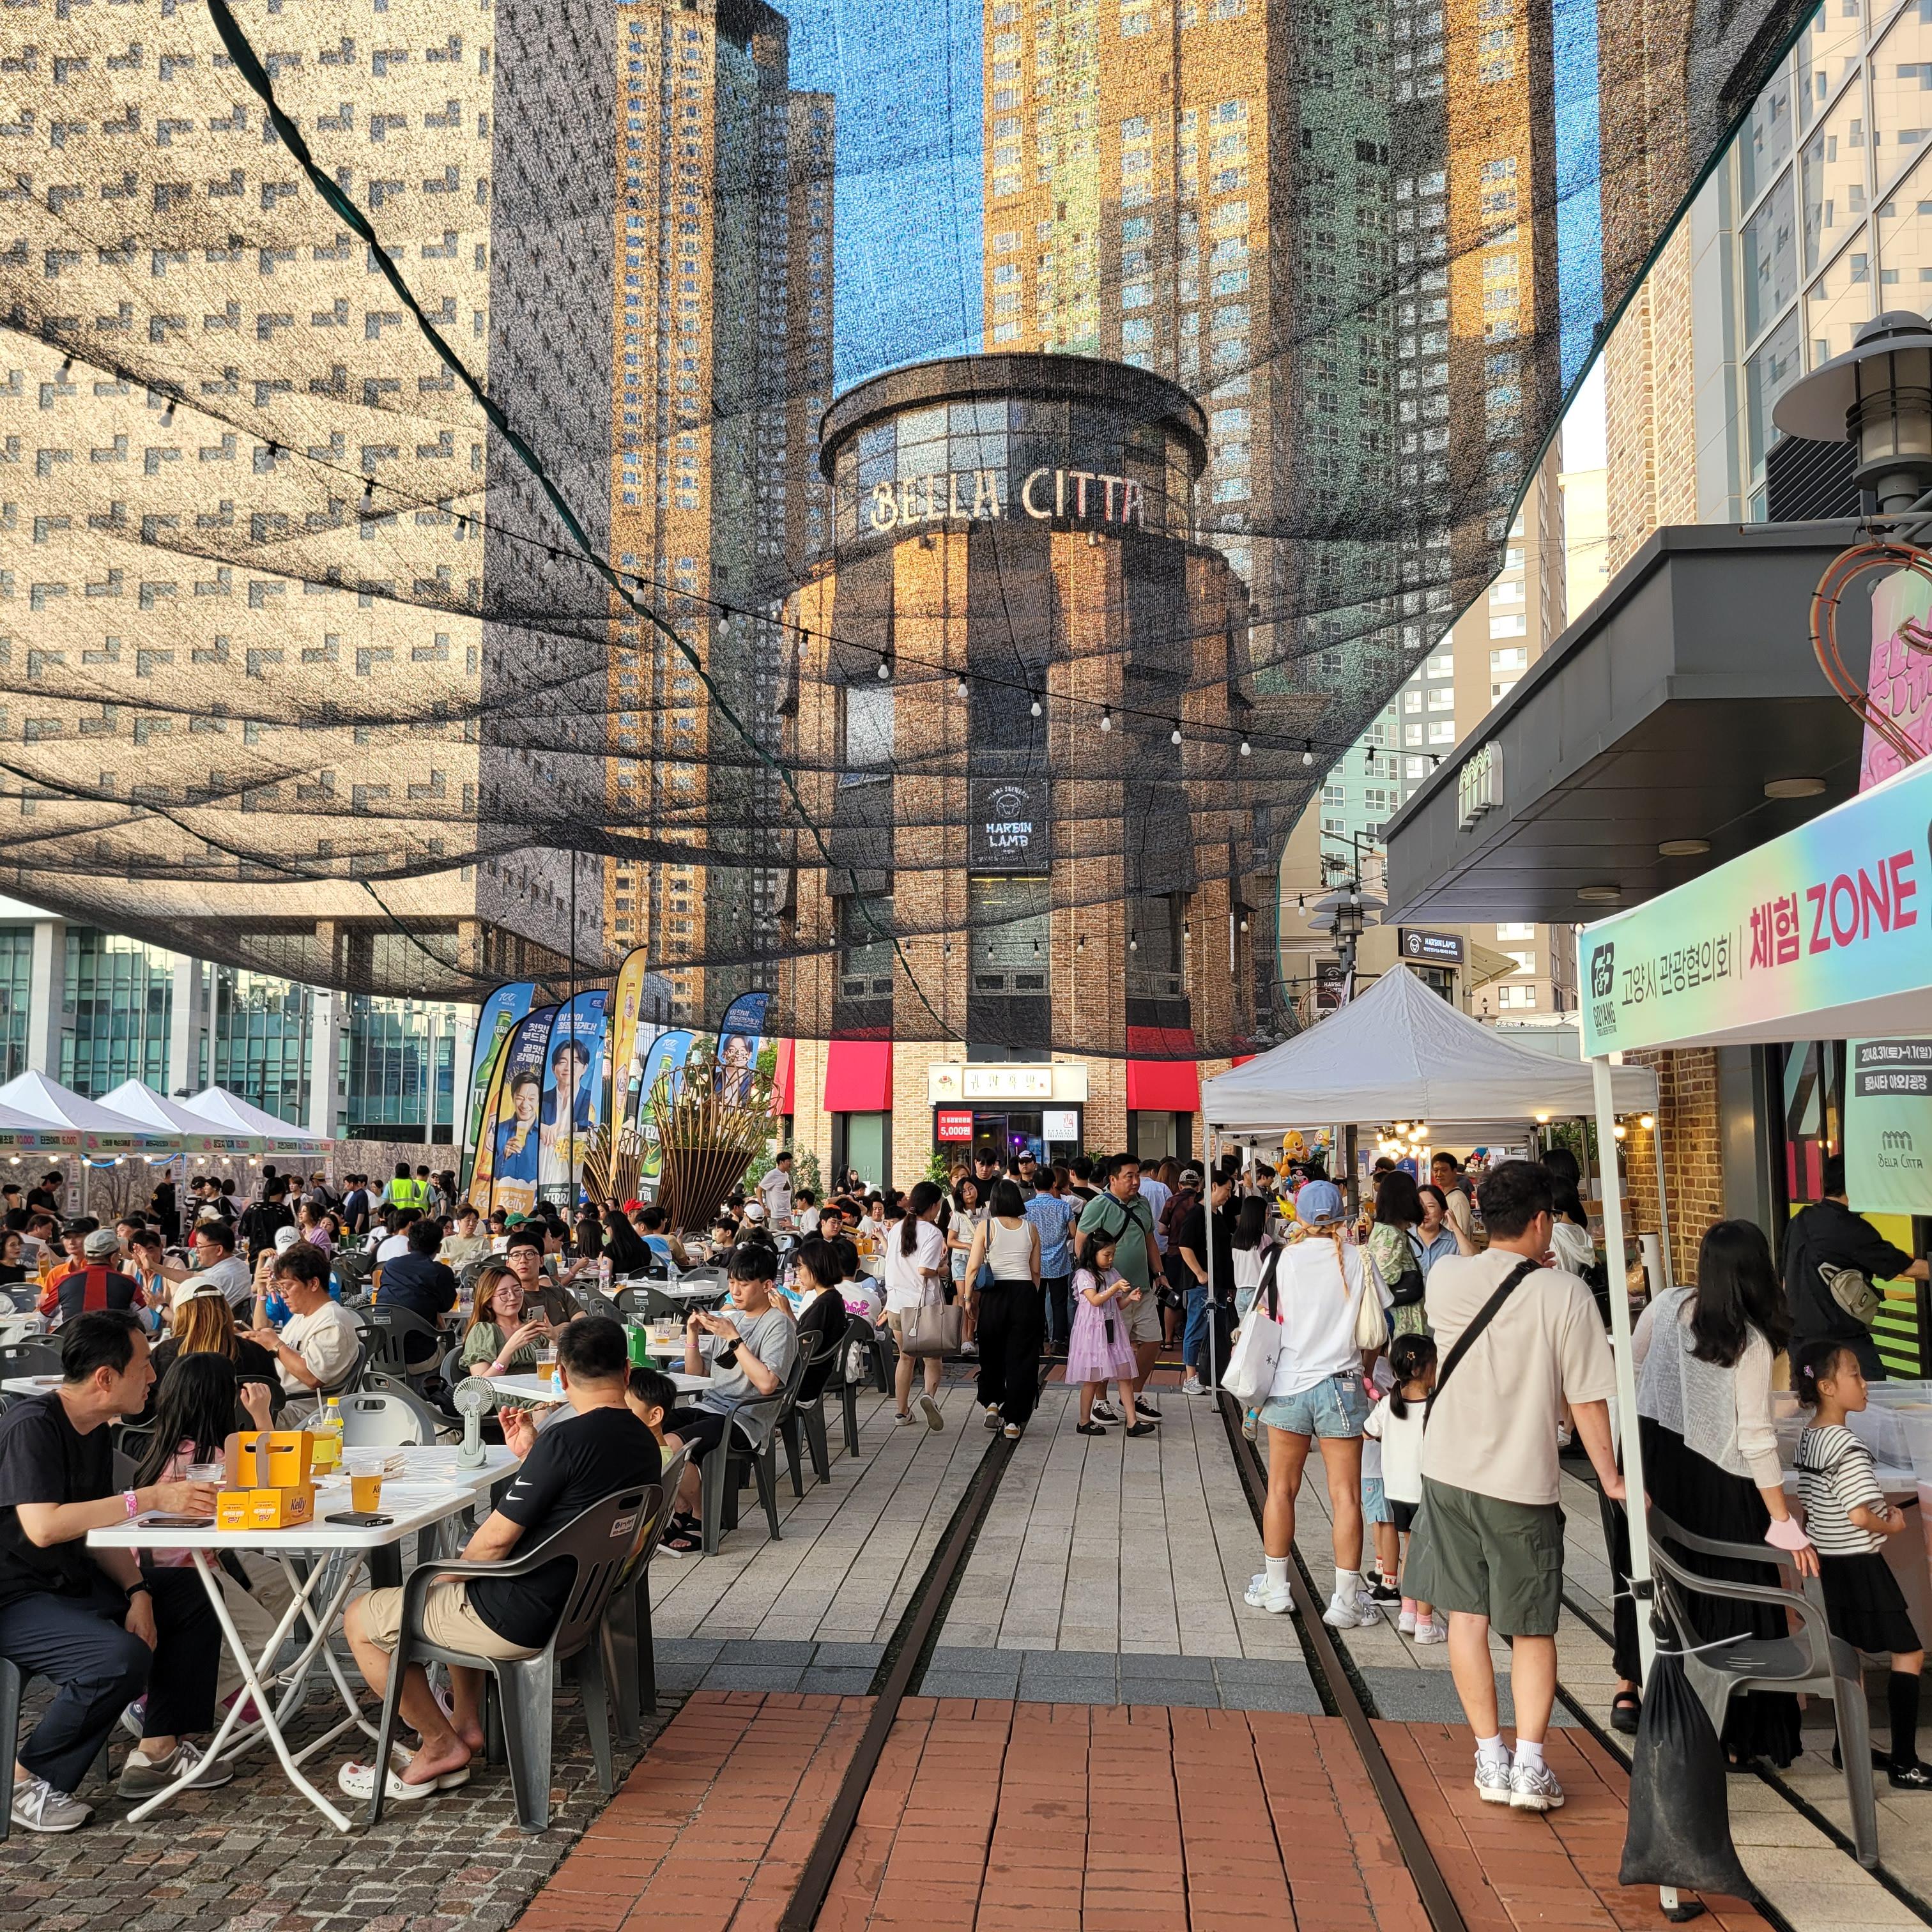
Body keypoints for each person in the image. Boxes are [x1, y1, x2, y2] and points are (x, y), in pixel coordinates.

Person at [338, 1316, 660, 1800]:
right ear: (628, 1371)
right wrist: (533, 1457)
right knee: (460, 1579)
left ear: (563, 1375)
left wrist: (442, 1580)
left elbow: (492, 1545)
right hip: (578, 1608)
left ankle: (439, 1744)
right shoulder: (643, 1441)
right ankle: (467, 1724)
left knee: (362, 1618)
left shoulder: (567, 1439)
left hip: (517, 1615)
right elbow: (585, 1508)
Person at [1402, 1160, 1624, 1815]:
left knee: (1466, 1620)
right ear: (1541, 1221)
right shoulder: (1566, 1295)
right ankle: (1530, 1765)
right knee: (1530, 1628)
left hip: (1447, 1471)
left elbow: (1482, 1274)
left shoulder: (1446, 1277)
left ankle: (1488, 1756)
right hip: (1521, 1482)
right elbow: (1587, 1400)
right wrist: (1610, 1478)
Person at [0, 1311, 229, 1832]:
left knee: (192, 1591)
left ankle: (159, 1750)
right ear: (106, 1377)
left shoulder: (93, 1430)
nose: (153, 1376)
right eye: (144, 1364)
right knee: (117, 1657)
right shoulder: (34, 1425)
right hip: (14, 1597)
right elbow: (44, 1527)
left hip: (68, 1582)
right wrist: (148, 1498)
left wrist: (139, 1589)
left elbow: (92, 1531)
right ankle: (25, 1780)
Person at [1611, 1219, 1810, 1763]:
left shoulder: (1668, 1303)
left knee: (1649, 1572)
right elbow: (1755, 1437)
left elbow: (1632, 1365)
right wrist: (1782, 1519)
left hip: (1651, 1453)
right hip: (1717, 1473)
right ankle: (1731, 1729)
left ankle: (1633, 1686)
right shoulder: (1750, 1340)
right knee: (1729, 1585)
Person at [1243, 1180, 1391, 1630]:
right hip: (1342, 1386)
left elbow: (1260, 1317)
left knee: (1281, 1489)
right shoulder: (1360, 1259)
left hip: (1288, 1385)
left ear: (1300, 1216)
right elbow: (1378, 1325)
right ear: (1341, 1217)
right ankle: (1345, 1601)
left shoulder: (1280, 1259)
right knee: (1346, 1496)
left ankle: (1276, 1588)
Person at [1793, 1338, 1932, 1788]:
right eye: (1855, 1374)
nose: (1865, 1383)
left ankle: (1847, 1745)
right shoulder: (1847, 1445)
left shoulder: (1810, 1436)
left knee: (1847, 1652)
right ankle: (1905, 1762)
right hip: (1861, 1564)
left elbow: (1817, 1505)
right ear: (1828, 1387)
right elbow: (1858, 1514)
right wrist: (1891, 1525)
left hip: (1829, 1563)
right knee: (1909, 1652)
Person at [660, 1246, 799, 1550]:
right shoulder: (731, 1318)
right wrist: (692, 1335)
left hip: (743, 1418)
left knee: (670, 1444)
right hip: (709, 1406)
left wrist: (734, 1339)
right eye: (732, 1282)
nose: (735, 1291)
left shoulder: (778, 1325)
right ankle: (682, 1508)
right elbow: (697, 1375)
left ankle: (701, 1515)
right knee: (646, 1431)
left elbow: (767, 1385)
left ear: (766, 1285)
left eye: (744, 1284)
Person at [1784, 1152, 1930, 1381]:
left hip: (1800, 1342)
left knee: (1810, 1397)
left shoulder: (1799, 1221)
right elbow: (1908, 1267)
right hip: (1844, 1343)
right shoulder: (1851, 1228)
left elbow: (1785, 1281)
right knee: (1871, 1396)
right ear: (1855, 1186)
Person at [1363, 1333, 1441, 1643]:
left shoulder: (1387, 1404)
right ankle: (1425, 1623)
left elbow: (1367, 1433)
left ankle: (1408, 1612)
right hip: (1426, 1492)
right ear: (1421, 1369)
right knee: (1426, 1555)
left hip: (1396, 1492)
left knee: (1411, 1549)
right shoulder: (1434, 1408)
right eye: (1435, 1363)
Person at [1075, 1155, 1160, 1424]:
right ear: (1112, 1179)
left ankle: (1134, 1395)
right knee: (1108, 1347)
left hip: (1142, 1287)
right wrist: (1094, 1277)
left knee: (1153, 1340)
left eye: (1137, 1175)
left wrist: (1160, 1273)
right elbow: (1081, 1243)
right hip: (1110, 1294)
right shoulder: (1098, 1206)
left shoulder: (1143, 1204)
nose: (1135, 1181)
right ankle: (1101, 1402)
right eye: (1129, 1176)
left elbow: (1149, 1240)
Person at [963, 1179, 1042, 1440]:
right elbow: (1036, 1271)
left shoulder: (986, 1227)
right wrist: (1031, 1295)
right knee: (1022, 1357)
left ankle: (992, 1403)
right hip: (1024, 1293)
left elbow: (973, 1267)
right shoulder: (1031, 1229)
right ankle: (1013, 1421)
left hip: (994, 1295)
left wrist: (968, 1298)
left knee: (991, 1350)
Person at [142, 1277, 281, 1420]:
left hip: (177, 1432)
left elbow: (141, 1412)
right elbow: (275, 1399)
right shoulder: (255, 1352)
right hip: (244, 1432)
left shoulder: (164, 1354)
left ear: (181, 1314)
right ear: (225, 1308)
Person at [249, 1241, 361, 1409]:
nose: (283, 1295)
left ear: (314, 1284)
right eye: (280, 1288)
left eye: (287, 1287)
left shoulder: (332, 1322)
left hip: (301, 1410)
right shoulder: (303, 1314)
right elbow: (261, 1330)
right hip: (282, 1399)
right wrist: (261, 1291)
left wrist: (276, 1345)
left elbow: (312, 1377)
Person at [1066, 1236, 1149, 1436]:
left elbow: (1117, 1304)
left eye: (1113, 1254)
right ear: (1093, 1253)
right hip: (1093, 1332)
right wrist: (1115, 1288)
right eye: (1107, 1254)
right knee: (1092, 1378)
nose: (1111, 1258)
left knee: (1125, 1375)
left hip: (1113, 1328)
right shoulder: (1084, 1275)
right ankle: (1084, 1421)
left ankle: (1132, 1422)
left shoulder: (1112, 1273)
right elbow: (1095, 1300)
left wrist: (1129, 1298)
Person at [883, 1180, 949, 1430]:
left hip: (896, 1305)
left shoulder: (896, 1228)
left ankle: (901, 1413)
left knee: (905, 1358)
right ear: (933, 1206)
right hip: (924, 1308)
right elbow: (925, 1270)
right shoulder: (933, 1233)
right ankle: (929, 1397)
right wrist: (942, 1270)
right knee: (933, 1359)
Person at [1174, 1170, 1234, 1396]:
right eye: (1227, 1190)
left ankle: (1209, 1374)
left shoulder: (1216, 1215)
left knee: (1215, 1330)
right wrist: (1199, 1272)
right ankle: (1190, 1376)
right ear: (1214, 1186)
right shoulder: (1196, 1214)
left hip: (1218, 1282)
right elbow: (1184, 1246)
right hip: (1202, 1284)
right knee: (1197, 1327)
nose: (1229, 1195)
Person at [460, 1264, 553, 1409]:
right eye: (504, 1294)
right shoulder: (484, 1331)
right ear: (488, 1301)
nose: (513, 1297)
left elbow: (556, 1372)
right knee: (546, 1410)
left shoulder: (532, 1327)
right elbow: (480, 1387)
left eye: (517, 1290)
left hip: (543, 1392)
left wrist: (554, 1339)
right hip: (508, 1400)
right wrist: (509, 1349)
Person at [374, 1217, 459, 1367]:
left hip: (381, 1356)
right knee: (454, 1354)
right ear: (439, 1248)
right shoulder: (441, 1272)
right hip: (421, 1357)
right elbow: (445, 1307)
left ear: (408, 1246)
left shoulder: (391, 1266)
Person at [1365, 1169, 1429, 1342]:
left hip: (1403, 1325)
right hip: (1401, 1325)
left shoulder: (1389, 1231)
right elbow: (1386, 1277)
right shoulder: (1390, 1234)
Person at [43, 1227, 148, 1330]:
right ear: (113, 1257)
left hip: (74, 1340)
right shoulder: (129, 1283)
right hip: (116, 1341)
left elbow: (42, 1320)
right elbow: (148, 1323)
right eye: (119, 1255)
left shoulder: (64, 1282)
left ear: (86, 1255)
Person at [788, 1238, 850, 1404]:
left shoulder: (824, 1305)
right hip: (811, 1376)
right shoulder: (832, 1299)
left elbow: (801, 1345)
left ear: (816, 1266)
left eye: (800, 1267)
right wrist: (787, 1311)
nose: (798, 1273)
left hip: (801, 1383)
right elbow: (806, 1336)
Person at [1025, 1166, 1077, 1353]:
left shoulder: (1026, 1208)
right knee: (1059, 1303)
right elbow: (1073, 1232)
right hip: (1059, 1262)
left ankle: (1037, 1343)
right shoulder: (1064, 1207)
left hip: (1035, 1264)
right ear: (1054, 1184)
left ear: (1034, 1185)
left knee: (1036, 1305)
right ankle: (1058, 1342)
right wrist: (1062, 1237)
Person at [502, 1229, 579, 1328]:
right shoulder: (509, 1300)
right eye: (516, 1255)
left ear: (541, 1261)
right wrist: (564, 1327)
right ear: (508, 1264)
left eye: (530, 1254)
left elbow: (583, 1322)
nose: (523, 1260)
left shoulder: (559, 1292)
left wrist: (558, 1331)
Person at [237, 1179, 293, 1268]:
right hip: (278, 1256)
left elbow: (243, 1231)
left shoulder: (253, 1208)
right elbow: (291, 1234)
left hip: (256, 1255)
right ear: (282, 1192)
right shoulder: (284, 1211)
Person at [440, 1202, 492, 1271]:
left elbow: (488, 1267)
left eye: (475, 1221)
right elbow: (440, 1266)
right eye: (468, 1220)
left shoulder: (483, 1242)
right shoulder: (447, 1242)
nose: (471, 1224)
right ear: (458, 1223)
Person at [758, 1151, 794, 1229]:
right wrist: (763, 1207)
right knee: (777, 1236)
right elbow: (759, 1189)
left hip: (787, 1215)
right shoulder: (773, 1174)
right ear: (781, 1162)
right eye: (788, 1161)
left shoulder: (786, 1175)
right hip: (776, 1216)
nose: (790, 1163)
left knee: (790, 1236)